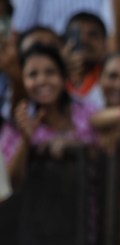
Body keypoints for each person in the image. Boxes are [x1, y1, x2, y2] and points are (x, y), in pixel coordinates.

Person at [1, 44, 98, 185]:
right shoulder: (17, 123)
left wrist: (74, 148)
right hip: (36, 206)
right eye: (33, 74)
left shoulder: (87, 112)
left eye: (50, 72)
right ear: (23, 80)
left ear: (64, 77)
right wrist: (26, 141)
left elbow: (105, 153)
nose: (42, 81)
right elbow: (7, 183)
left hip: (87, 205)